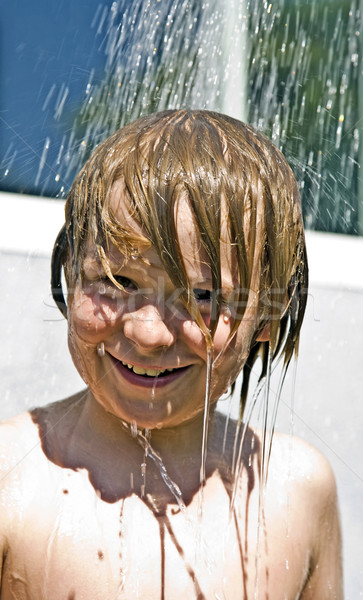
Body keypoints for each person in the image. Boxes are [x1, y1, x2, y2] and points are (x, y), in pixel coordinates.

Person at [0, 110, 342, 599]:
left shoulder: (297, 491)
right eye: (116, 282)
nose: (147, 332)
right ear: (71, 272)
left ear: (268, 315)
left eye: (202, 297)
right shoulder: (10, 482)